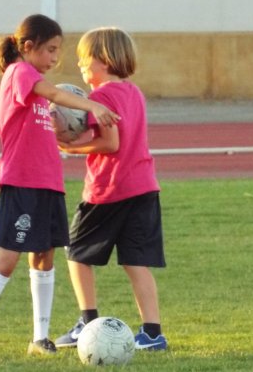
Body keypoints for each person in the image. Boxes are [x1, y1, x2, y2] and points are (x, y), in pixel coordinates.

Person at [0, 14, 120, 360]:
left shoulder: (33, 79)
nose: (54, 58)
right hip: (22, 182)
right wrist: (91, 103)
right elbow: (52, 92)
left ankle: (40, 337)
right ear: (27, 47)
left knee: (45, 256)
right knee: (7, 258)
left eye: (57, 50)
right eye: (50, 50)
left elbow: (50, 109)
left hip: (49, 183)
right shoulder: (20, 72)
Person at [54, 27, 168, 351]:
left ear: (103, 60)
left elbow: (110, 142)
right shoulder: (134, 92)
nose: (80, 66)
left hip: (109, 190)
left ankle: (86, 321)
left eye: (84, 59)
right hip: (144, 187)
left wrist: (69, 146)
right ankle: (152, 333)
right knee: (135, 262)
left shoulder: (100, 97)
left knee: (75, 251)